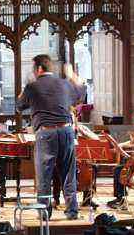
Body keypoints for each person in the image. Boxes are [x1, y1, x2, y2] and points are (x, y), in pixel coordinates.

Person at [16, 55, 86, 220]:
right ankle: (72, 212)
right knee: (68, 173)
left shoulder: (32, 86)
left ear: (39, 69)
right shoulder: (64, 83)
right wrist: (71, 75)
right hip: (67, 131)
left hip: (46, 133)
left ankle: (45, 213)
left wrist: (25, 87)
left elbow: (19, 107)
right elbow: (81, 92)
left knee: (44, 174)